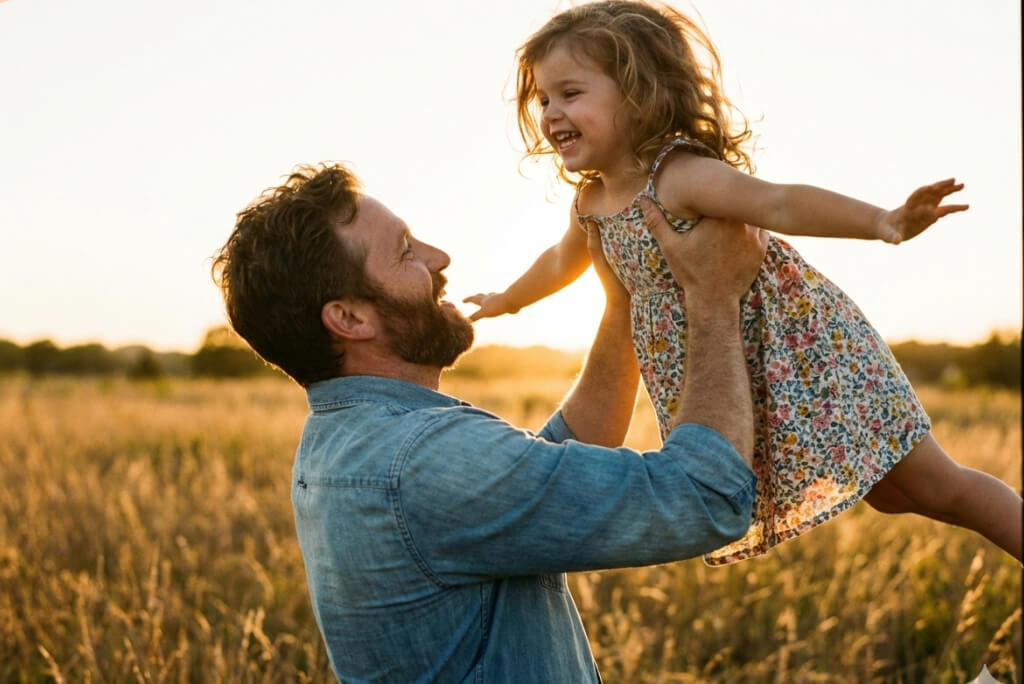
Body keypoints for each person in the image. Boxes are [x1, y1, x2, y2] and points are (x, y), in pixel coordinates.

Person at [464, 0, 1022, 565]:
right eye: (543, 99)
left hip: (801, 353)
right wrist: (509, 300)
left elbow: (778, 201)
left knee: (939, 486)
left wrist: (884, 222)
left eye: (571, 93)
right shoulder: (591, 202)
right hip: (739, 374)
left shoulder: (678, 176)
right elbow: (562, 260)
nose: (551, 112)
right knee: (891, 496)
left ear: (639, 96)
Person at [212, 162, 767, 682]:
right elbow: (706, 495)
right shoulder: (420, 460)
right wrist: (713, 294)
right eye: (406, 252)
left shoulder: (345, 438)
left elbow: (547, 467)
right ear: (350, 318)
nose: (439, 257)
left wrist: (618, 302)